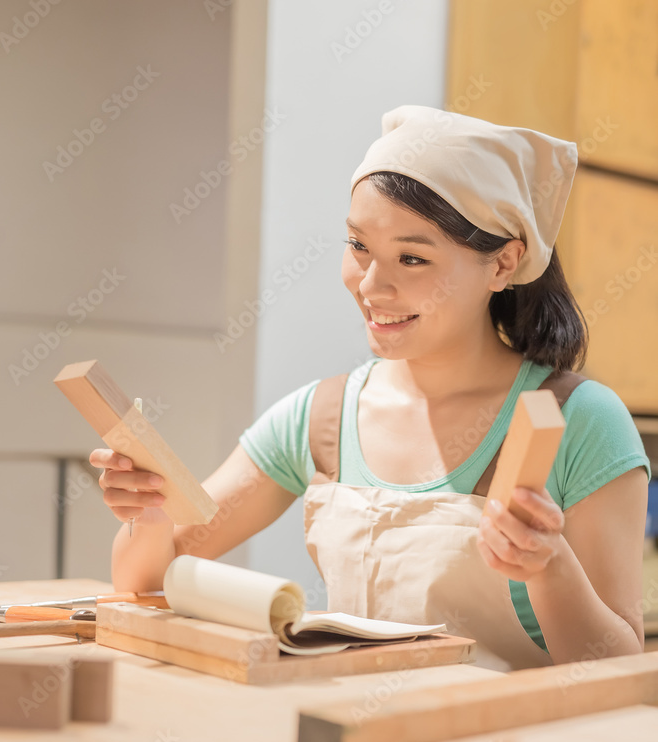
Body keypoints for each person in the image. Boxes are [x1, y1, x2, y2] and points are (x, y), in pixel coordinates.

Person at [90, 105, 651, 670]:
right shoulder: (320, 416)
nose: (372, 285)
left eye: (412, 257)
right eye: (358, 246)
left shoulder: (581, 419)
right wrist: (150, 516)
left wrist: (550, 567)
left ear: (503, 264)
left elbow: (621, 666)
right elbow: (146, 583)